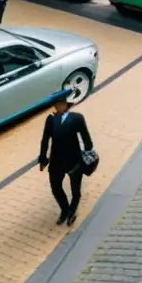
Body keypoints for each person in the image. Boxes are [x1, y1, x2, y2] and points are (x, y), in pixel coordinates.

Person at [39, 93, 94, 227]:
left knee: (75, 190)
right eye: (57, 105)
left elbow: (86, 138)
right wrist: (43, 158)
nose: (60, 106)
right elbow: (45, 139)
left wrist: (88, 152)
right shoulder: (50, 119)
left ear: (66, 104)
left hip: (74, 160)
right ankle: (64, 209)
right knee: (56, 188)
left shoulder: (77, 118)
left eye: (62, 104)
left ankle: (72, 212)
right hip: (56, 161)